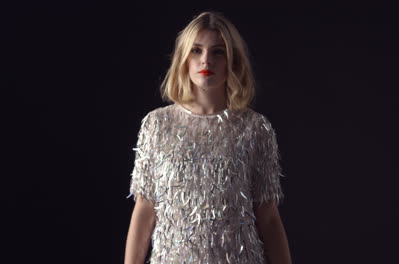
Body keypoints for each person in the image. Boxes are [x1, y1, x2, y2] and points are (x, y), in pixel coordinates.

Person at [125, 11, 292, 264]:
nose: (206, 61)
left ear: (232, 61)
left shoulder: (255, 129)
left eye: (218, 52)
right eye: (196, 51)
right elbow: (145, 210)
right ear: (184, 59)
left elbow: (268, 217)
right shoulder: (157, 125)